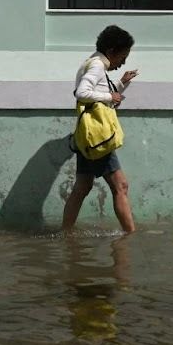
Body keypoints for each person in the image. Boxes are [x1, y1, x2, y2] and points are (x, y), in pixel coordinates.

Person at [63, 25, 139, 234]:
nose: (123, 62)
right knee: (121, 186)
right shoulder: (97, 66)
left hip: (86, 137)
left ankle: (66, 234)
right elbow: (82, 93)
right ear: (112, 50)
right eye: (123, 57)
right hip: (98, 137)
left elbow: (97, 92)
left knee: (82, 187)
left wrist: (120, 84)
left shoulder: (93, 64)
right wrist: (110, 97)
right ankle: (130, 236)